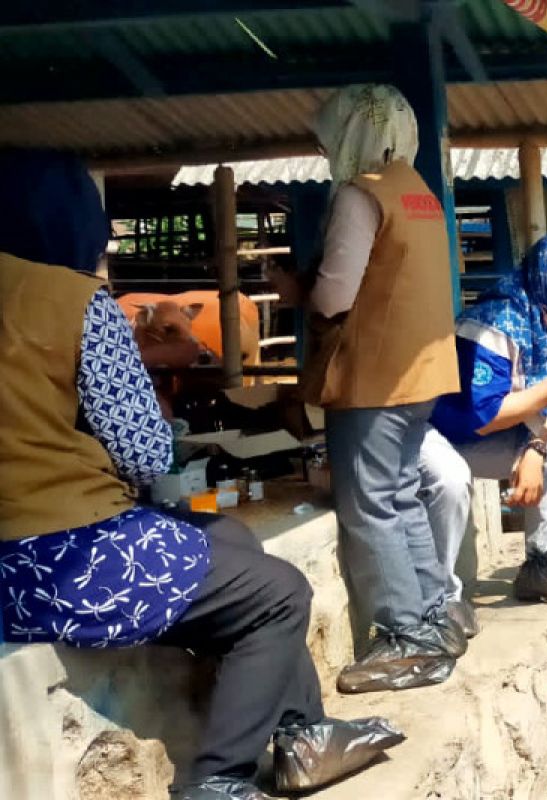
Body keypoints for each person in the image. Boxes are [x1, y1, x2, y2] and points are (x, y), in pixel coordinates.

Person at [0, 150, 400, 800]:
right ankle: (220, 778)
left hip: (9, 565)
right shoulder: (71, 301)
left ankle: (304, 735)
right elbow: (145, 455)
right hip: (67, 556)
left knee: (234, 543)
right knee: (280, 592)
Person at [299, 84, 465, 694]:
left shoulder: (359, 193)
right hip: (422, 373)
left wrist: (304, 295)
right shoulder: (419, 194)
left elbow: (335, 295)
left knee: (371, 504)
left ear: (352, 134)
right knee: (400, 495)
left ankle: (407, 637)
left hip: (374, 375)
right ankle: (436, 618)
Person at [421, 231, 547, 608]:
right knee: (451, 480)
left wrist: (535, 449)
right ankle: (438, 602)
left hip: (478, 434)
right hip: (434, 431)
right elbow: (483, 414)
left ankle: (541, 564)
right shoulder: (494, 323)